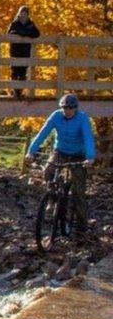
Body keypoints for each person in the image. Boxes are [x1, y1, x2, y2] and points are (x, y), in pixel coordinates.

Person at [25, 93, 97, 235]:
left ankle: (82, 225)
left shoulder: (82, 118)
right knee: (48, 170)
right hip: (60, 151)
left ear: (75, 108)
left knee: (78, 191)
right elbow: (42, 133)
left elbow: (88, 137)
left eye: (71, 108)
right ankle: (51, 199)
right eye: (65, 108)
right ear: (61, 108)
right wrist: (31, 151)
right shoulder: (56, 116)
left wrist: (90, 157)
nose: (68, 111)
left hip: (79, 154)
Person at [7, 5, 40, 99]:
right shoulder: (15, 23)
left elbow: (37, 34)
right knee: (15, 71)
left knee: (22, 72)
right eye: (22, 13)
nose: (23, 16)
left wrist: (25, 34)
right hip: (15, 50)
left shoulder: (30, 24)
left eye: (25, 14)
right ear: (19, 14)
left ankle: (19, 91)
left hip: (25, 51)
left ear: (27, 15)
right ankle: (15, 91)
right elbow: (10, 33)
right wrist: (22, 34)